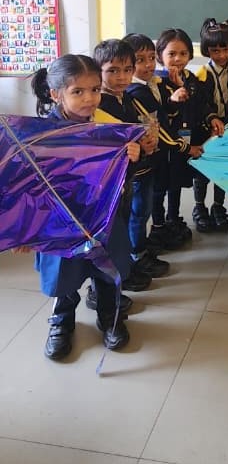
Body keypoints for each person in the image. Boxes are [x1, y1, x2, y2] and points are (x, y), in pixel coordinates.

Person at [30, 54, 140, 359]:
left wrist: (132, 158)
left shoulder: (110, 126)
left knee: (106, 269)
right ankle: (62, 321)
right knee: (63, 275)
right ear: (56, 94)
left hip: (103, 217)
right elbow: (27, 187)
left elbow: (120, 177)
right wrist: (28, 230)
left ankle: (110, 315)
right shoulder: (41, 136)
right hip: (59, 222)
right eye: (77, 91)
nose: (89, 99)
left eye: (94, 90)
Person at [94, 39, 164, 292]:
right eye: (112, 70)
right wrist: (138, 147)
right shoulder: (100, 103)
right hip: (111, 182)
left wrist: (145, 144)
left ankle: (125, 268)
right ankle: (109, 281)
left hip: (127, 177)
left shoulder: (125, 98)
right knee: (112, 229)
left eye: (127, 70)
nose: (121, 77)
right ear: (98, 71)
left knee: (125, 223)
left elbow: (133, 133)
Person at [123, 33, 203, 254]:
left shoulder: (154, 83)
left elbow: (164, 114)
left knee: (162, 189)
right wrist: (187, 148)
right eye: (140, 60)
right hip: (148, 156)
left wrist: (173, 99)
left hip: (159, 153)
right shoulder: (137, 91)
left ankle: (163, 227)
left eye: (150, 58)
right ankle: (144, 246)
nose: (149, 64)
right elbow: (160, 128)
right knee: (145, 204)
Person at [153, 28, 223, 243]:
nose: (178, 59)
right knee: (160, 185)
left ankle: (174, 218)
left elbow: (202, 105)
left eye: (183, 53)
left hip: (186, 138)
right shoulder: (157, 82)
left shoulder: (191, 79)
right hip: (165, 143)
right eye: (171, 53)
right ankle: (158, 225)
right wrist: (173, 99)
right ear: (160, 55)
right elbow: (159, 114)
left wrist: (212, 118)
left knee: (177, 181)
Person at [192, 18, 228, 233]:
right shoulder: (203, 74)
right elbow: (200, 103)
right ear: (207, 51)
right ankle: (199, 207)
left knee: (222, 170)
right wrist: (211, 118)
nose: (221, 55)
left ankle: (218, 207)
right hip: (207, 129)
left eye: (225, 49)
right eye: (215, 51)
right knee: (203, 171)